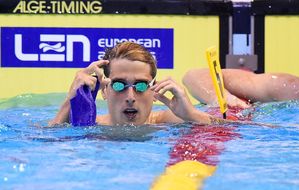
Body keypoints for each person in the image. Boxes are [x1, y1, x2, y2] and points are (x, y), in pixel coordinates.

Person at [49, 41, 216, 126]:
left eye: (141, 86)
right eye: (119, 85)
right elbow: (47, 143)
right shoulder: (92, 125)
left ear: (155, 89)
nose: (130, 97)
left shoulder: (168, 121)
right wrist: (70, 100)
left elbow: (234, 129)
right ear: (104, 91)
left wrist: (192, 115)